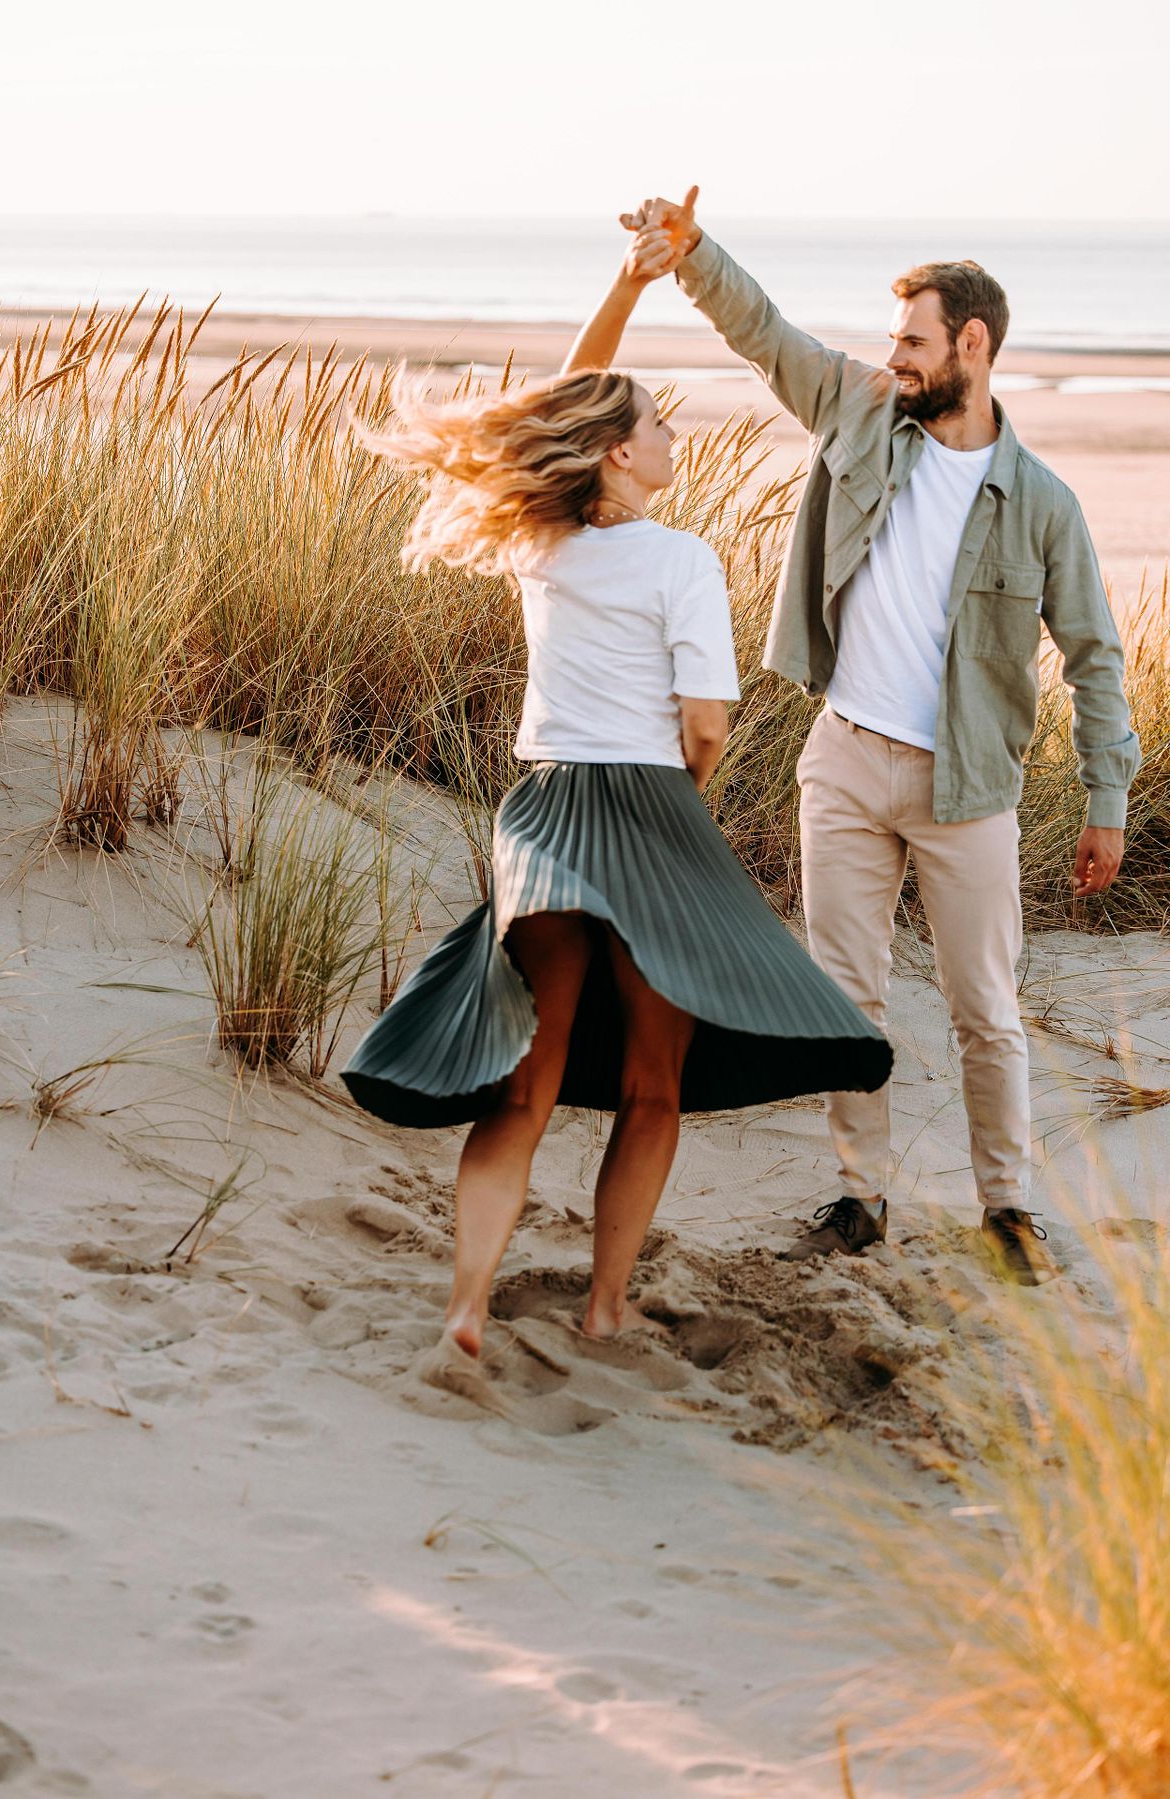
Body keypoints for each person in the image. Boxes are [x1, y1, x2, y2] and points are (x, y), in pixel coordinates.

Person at [342, 232, 891, 1357]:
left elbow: (564, 401)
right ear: (619, 456)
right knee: (652, 1087)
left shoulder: (543, 540)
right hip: (649, 816)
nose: (673, 434)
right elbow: (704, 727)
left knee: (523, 1088)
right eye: (659, 422)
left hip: (545, 820)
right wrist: (682, 806)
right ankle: (603, 1306)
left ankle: (464, 1306)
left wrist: (630, 286)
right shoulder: (682, 558)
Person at [619, 188, 1142, 1284]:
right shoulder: (859, 410)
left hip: (971, 789)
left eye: (912, 339)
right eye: (890, 338)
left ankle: (1008, 1209)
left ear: (973, 343)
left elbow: (1096, 655)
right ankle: (861, 1195)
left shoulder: (1042, 504)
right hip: (846, 758)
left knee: (984, 1011)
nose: (892, 356)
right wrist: (692, 254)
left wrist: (1106, 803)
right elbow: (763, 334)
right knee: (842, 997)